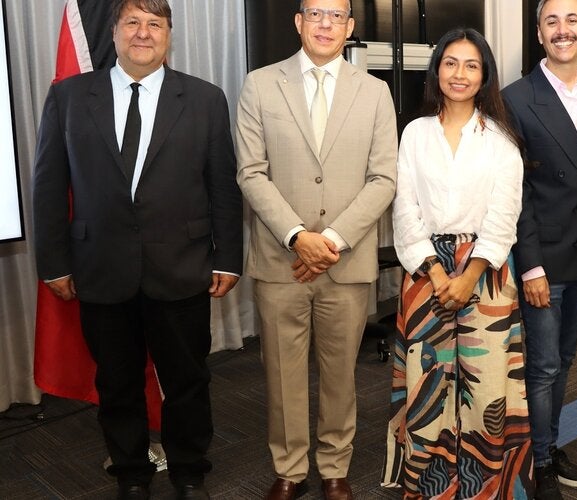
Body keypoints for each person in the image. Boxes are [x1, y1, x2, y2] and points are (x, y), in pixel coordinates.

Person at [32, 0, 243, 498]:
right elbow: (48, 185)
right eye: (132, 22)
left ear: (169, 34)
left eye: (154, 24)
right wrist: (54, 263)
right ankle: (131, 473)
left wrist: (228, 257)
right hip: (100, 267)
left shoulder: (205, 98)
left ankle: (189, 471)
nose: (143, 33)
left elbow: (222, 186)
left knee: (187, 379)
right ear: (115, 32)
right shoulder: (68, 97)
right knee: (117, 381)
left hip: (182, 266)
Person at [234, 0, 397, 498]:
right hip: (281, 259)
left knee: (340, 373)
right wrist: (297, 237)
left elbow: (384, 178)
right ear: (298, 21)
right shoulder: (260, 84)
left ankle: (334, 466)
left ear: (350, 27)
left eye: (336, 15)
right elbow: (251, 172)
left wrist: (331, 241)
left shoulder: (375, 92)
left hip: (345, 261)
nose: (325, 23)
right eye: (315, 13)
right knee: (282, 374)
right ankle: (289, 469)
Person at [381, 28, 533, 499]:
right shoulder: (415, 133)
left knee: (486, 389)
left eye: (471, 65)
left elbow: (504, 216)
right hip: (425, 270)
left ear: (484, 75)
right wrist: (435, 270)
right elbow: (404, 209)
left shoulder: (501, 140)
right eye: (450, 63)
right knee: (428, 384)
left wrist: (469, 275)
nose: (459, 74)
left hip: (485, 274)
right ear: (437, 70)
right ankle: (429, 487)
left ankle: (483, 489)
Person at [500, 0, 577, 498]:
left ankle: (546, 442)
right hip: (543, 258)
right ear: (538, 32)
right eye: (552, 21)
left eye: (572, 20)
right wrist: (531, 267)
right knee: (543, 367)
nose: (562, 30)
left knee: (564, 361)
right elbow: (516, 192)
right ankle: (541, 461)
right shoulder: (516, 97)